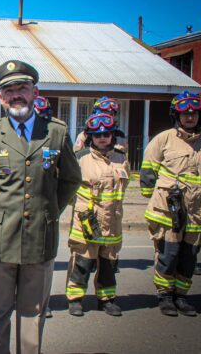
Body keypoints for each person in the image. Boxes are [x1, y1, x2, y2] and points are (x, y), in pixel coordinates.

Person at [0, 60, 81, 354]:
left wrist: (50, 213)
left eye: (22, 88)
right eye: (8, 90)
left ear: (35, 91)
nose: (16, 95)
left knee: (33, 315)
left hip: (40, 239)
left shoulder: (56, 132)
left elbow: (71, 179)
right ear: (0, 98)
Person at [140, 90, 201, 317]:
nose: (190, 117)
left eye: (194, 113)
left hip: (197, 212)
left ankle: (182, 296)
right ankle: (165, 296)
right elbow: (149, 170)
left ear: (200, 115)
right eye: (184, 114)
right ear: (176, 115)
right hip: (168, 210)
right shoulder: (164, 139)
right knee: (168, 255)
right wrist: (153, 197)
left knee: (189, 257)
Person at [66, 113, 129, 317]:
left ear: (112, 135)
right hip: (86, 220)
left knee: (109, 263)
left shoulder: (121, 158)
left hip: (112, 221)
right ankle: (75, 300)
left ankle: (107, 299)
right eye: (98, 134)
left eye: (106, 134)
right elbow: (70, 186)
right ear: (91, 136)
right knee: (82, 261)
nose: (102, 137)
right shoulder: (80, 157)